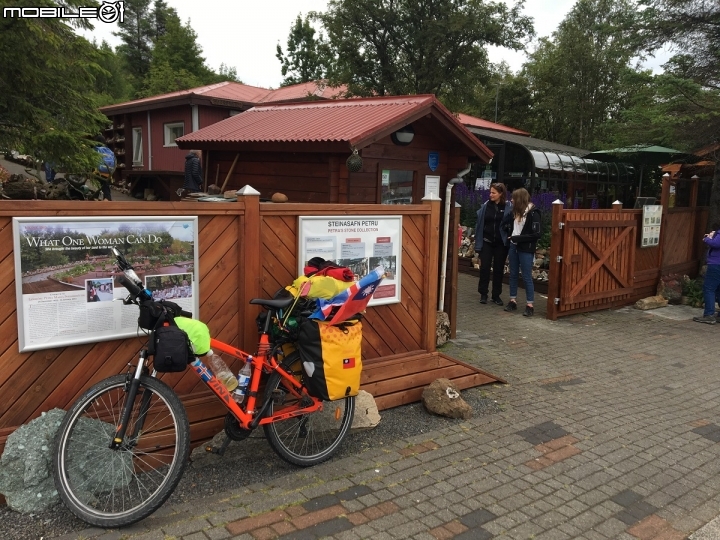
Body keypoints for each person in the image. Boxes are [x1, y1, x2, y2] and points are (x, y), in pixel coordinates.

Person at [503, 187, 542, 317]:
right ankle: (512, 300)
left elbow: (536, 234)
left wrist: (517, 238)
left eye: (513, 198)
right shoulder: (515, 212)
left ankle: (529, 305)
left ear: (519, 199)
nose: (511, 200)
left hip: (525, 248)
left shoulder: (533, 213)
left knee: (526, 276)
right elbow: (507, 225)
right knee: (513, 273)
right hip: (513, 246)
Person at [474, 182, 512, 305]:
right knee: (484, 268)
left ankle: (496, 295)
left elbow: (511, 224)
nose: (490, 195)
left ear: (501, 194)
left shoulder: (508, 207)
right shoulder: (486, 206)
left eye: (493, 193)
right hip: (487, 241)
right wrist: (478, 245)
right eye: (490, 192)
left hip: (501, 243)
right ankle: (483, 293)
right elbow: (479, 225)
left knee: (498, 269)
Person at [693, 222, 720, 324]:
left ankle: (709, 315)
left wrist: (707, 239)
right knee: (718, 290)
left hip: (716, 265)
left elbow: (716, 244)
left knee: (708, 288)